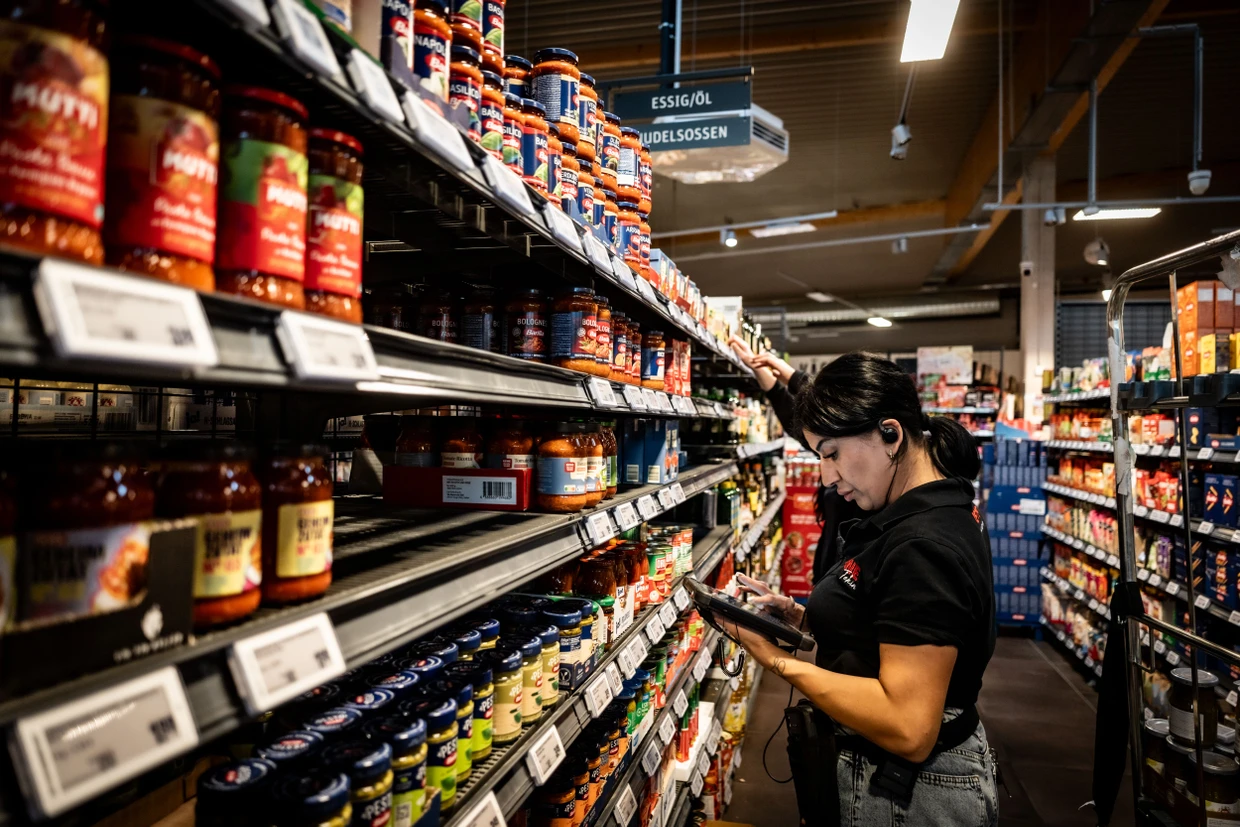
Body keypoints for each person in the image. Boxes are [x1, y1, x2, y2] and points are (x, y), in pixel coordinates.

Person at [723, 351, 998, 827]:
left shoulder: (923, 546)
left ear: (890, 434)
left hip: (910, 795)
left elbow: (909, 726)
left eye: (831, 454)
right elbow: (887, 626)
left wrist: (775, 661)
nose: (827, 476)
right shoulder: (911, 508)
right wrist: (802, 619)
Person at [727, 337, 860, 581]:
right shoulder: (843, 452)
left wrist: (792, 376)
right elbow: (796, 420)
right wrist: (762, 368)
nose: (828, 477)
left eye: (830, 455)